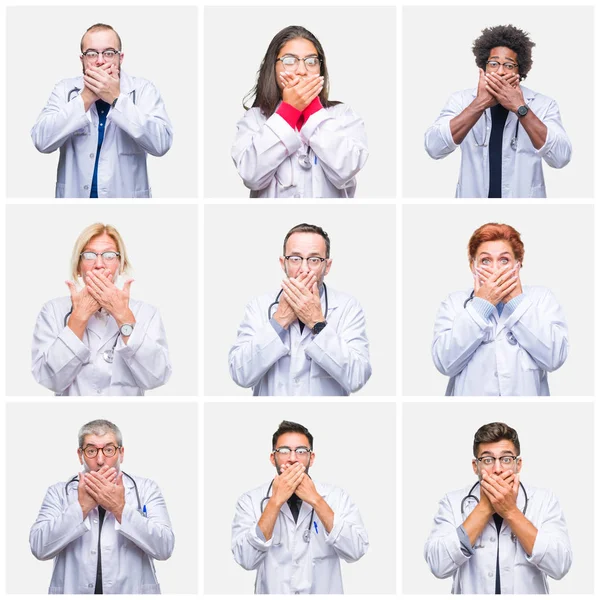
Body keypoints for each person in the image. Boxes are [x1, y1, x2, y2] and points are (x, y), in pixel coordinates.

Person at [425, 25, 571, 198]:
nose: (500, 71)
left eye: (509, 65)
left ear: (520, 70)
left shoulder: (543, 104)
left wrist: (520, 108)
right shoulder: (461, 100)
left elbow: (560, 158)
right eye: (493, 64)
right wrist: (478, 105)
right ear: (484, 66)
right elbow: (434, 148)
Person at [424, 422, 572, 594]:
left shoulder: (544, 501)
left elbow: (560, 565)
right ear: (475, 466)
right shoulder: (452, 502)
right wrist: (484, 508)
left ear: (518, 464)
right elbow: (438, 565)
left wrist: (510, 511)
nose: (497, 469)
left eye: (506, 459)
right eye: (487, 460)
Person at [30, 419, 174, 594]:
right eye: (91, 451)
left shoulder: (146, 489)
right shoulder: (59, 492)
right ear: (80, 455)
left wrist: (119, 508)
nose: (100, 460)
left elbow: (165, 548)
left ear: (121, 453)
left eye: (108, 450)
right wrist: (81, 507)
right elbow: (39, 548)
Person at [31, 23, 172, 198]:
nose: (100, 60)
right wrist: (85, 99)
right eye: (91, 53)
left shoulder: (143, 90)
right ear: (82, 59)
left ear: (120, 58)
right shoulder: (64, 89)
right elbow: (41, 141)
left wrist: (116, 99)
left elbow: (161, 144)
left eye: (108, 53)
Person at [229, 223, 371, 395]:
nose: (304, 268)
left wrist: (317, 323)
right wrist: (279, 320)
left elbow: (357, 377)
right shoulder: (258, 306)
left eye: (314, 260)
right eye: (295, 258)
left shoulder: (348, 307)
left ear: (327, 266)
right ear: (283, 263)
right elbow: (240, 374)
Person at [31, 223, 171, 395]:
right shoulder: (53, 311)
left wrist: (123, 316)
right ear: (78, 267)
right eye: (89, 255)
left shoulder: (147, 313)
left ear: (121, 265)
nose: (99, 264)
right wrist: (79, 317)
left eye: (109, 255)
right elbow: (49, 380)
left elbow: (156, 377)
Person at [231, 420, 368, 594]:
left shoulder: (336, 497)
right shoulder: (250, 500)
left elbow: (356, 551)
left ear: (311, 458)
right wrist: (275, 502)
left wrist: (317, 501)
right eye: (284, 451)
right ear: (273, 458)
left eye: (301, 451)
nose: (293, 458)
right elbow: (246, 560)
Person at [232, 25, 368, 198]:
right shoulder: (254, 119)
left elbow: (347, 168)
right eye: (290, 60)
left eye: (311, 61)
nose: (302, 71)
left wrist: (312, 109)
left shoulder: (343, 115)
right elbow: (251, 176)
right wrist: (289, 111)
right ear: (272, 67)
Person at [432, 223, 568, 395]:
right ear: (473, 266)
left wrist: (516, 302)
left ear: (517, 265)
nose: (495, 269)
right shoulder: (454, 303)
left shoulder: (541, 299)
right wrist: (481, 305)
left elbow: (555, 358)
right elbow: (445, 363)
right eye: (485, 260)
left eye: (504, 260)